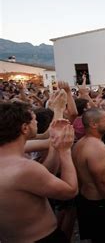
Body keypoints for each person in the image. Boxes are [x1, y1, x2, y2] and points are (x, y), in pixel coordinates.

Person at [0, 102, 78, 242]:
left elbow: (50, 144)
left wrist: (58, 118)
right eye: (34, 119)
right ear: (25, 128)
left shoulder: (9, 155)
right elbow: (70, 191)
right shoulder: (23, 168)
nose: (37, 122)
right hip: (42, 238)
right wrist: (65, 151)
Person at [72, 107, 105, 242]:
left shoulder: (80, 143)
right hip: (101, 204)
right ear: (93, 124)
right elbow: (102, 182)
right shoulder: (95, 148)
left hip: (90, 201)